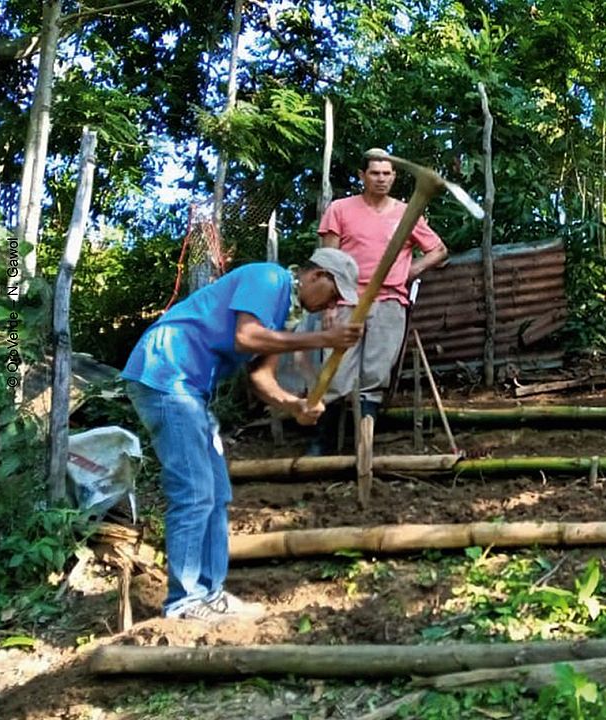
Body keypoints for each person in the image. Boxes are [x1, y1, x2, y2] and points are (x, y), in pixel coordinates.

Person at [122, 249, 365, 621]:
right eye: (333, 294)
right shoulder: (267, 277)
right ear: (316, 275)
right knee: (194, 490)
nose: (331, 305)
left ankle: (210, 593)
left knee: (217, 491)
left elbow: (259, 377)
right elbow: (247, 338)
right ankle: (185, 601)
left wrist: (294, 405)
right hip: (166, 373)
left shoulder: (283, 312)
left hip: (188, 389)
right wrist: (322, 340)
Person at [310, 152, 448, 454]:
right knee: (336, 372)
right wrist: (329, 306)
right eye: (375, 173)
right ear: (362, 176)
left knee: (374, 375)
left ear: (394, 176)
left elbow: (438, 250)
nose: (381, 179)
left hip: (389, 302)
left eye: (387, 173)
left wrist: (410, 271)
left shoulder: (406, 212)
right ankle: (323, 444)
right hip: (347, 300)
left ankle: (364, 447)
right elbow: (328, 262)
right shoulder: (340, 209)